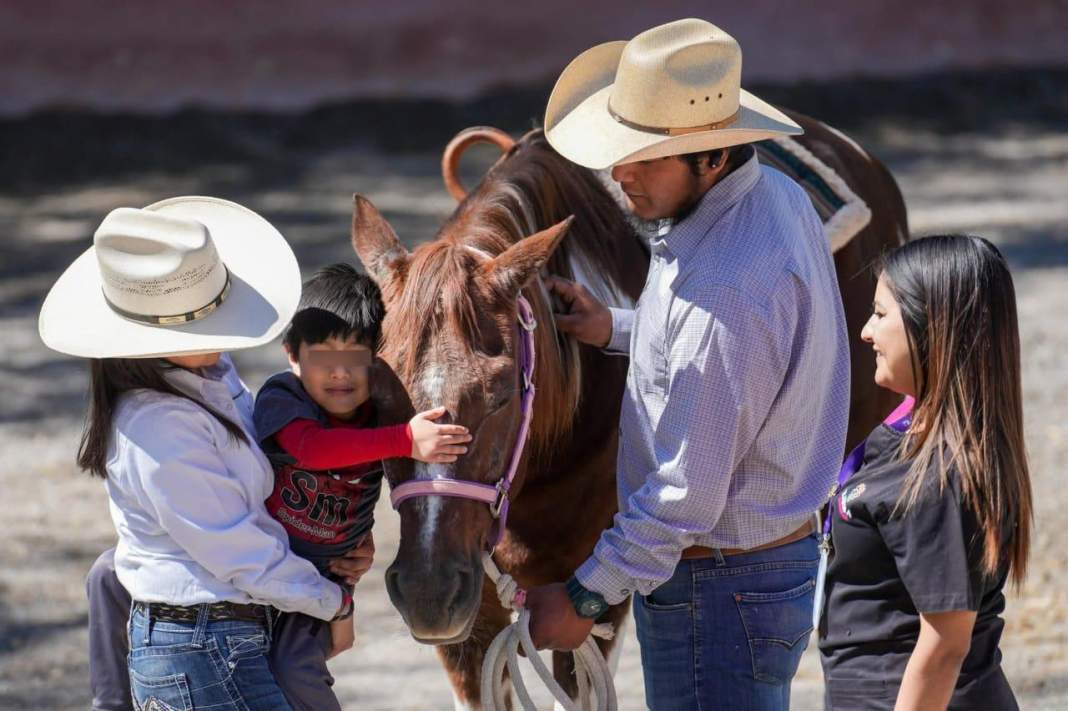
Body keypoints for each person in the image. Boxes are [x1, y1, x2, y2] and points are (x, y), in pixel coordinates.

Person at [524, 18, 851, 710]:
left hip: (716, 584)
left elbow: (686, 494)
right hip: (752, 571)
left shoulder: (725, 287)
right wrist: (613, 326)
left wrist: (587, 593)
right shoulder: (775, 198)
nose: (621, 173)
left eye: (645, 157)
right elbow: (734, 358)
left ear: (713, 157)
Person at [40, 196, 347, 711]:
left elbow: (257, 487)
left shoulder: (206, 374)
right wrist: (332, 600)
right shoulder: (161, 426)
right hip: (201, 648)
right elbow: (237, 550)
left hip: (213, 642)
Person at [818, 234, 1032, 710]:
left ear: (930, 326)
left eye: (880, 313)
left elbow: (944, 647)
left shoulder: (939, 476)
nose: (866, 333)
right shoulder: (910, 433)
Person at [253, 262, 471, 661]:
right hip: (263, 569)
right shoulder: (283, 399)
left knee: (304, 673)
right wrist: (404, 439)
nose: (339, 373)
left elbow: (371, 494)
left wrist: (359, 551)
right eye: (322, 358)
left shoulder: (374, 414)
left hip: (327, 579)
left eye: (356, 358)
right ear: (292, 356)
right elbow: (312, 450)